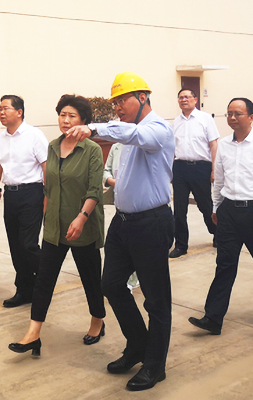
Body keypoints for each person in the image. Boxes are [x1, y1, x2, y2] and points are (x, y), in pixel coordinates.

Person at [67, 72, 174, 392]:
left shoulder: (157, 129)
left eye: (121, 100)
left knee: (156, 299)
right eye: (114, 103)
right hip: (123, 222)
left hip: (151, 223)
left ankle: (155, 365)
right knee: (111, 285)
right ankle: (138, 344)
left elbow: (137, 135)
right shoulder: (128, 134)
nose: (117, 107)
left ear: (142, 97)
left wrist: (94, 128)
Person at [8, 94, 106, 356]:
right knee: (44, 280)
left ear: (83, 120)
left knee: (90, 278)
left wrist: (81, 217)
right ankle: (33, 333)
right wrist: (45, 218)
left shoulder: (92, 150)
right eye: (62, 114)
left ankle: (97, 320)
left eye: (72, 115)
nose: (66, 120)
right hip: (54, 226)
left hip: (82, 225)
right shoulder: (52, 147)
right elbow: (48, 188)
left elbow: (95, 190)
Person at [188, 98, 253, 335]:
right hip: (229, 212)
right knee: (225, 264)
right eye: (229, 113)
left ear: (251, 117)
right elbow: (219, 180)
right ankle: (213, 318)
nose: (232, 118)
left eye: (238, 113)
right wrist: (215, 207)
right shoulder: (224, 145)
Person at [0, 95, 48, 308]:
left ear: (19, 112)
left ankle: (46, 280)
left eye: (6, 108)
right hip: (11, 195)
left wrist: (48, 198)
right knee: (15, 246)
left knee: (28, 245)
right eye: (0, 109)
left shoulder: (34, 135)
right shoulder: (1, 138)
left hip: (32, 193)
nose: (1, 113)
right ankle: (24, 290)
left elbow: (46, 166)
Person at [169, 88, 219, 258]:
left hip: (201, 168)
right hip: (180, 168)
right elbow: (172, 148)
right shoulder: (176, 122)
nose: (184, 100)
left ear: (195, 99)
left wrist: (214, 169)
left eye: (187, 97)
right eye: (180, 97)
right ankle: (181, 245)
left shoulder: (205, 119)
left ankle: (217, 233)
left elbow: (214, 145)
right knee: (179, 209)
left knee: (205, 205)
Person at [103, 143, 139, 290]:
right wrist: (112, 181)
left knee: (135, 246)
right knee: (117, 246)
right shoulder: (115, 147)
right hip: (120, 205)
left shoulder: (140, 145)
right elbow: (106, 170)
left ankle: (133, 280)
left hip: (139, 206)